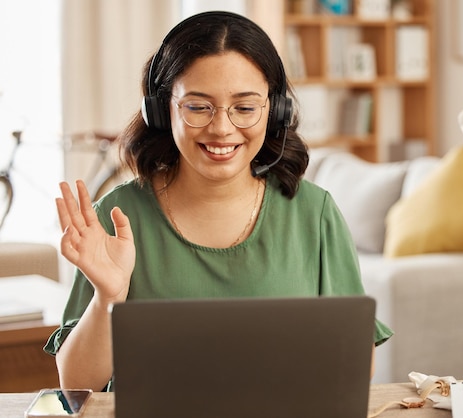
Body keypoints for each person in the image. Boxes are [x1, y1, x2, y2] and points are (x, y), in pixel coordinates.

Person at [45, 10, 392, 391]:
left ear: (275, 111)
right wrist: (108, 299)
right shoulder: (118, 217)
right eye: (197, 106)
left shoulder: (315, 213)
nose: (222, 128)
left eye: (244, 107)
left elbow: (357, 364)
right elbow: (77, 386)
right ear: (162, 110)